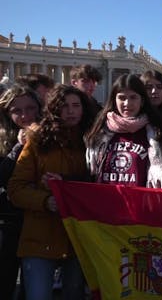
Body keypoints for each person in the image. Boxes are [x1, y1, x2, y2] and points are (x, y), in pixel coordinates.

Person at [8, 84, 95, 300]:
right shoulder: (37, 140)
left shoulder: (91, 142)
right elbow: (16, 189)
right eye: (64, 106)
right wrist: (47, 201)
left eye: (76, 105)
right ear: (53, 109)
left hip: (76, 238)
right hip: (40, 236)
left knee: (74, 294)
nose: (71, 111)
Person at [85, 74, 162, 188]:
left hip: (141, 202)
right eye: (122, 98)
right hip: (105, 201)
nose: (127, 104)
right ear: (114, 100)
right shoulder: (99, 131)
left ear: (142, 101)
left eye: (133, 97)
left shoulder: (157, 132)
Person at [0, 85, 42, 299]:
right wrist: (18, 148)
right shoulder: (3, 139)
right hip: (7, 221)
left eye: (31, 108)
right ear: (7, 112)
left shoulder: (47, 134)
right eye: (17, 111)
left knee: (33, 285)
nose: (25, 116)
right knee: (5, 280)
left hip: (37, 219)